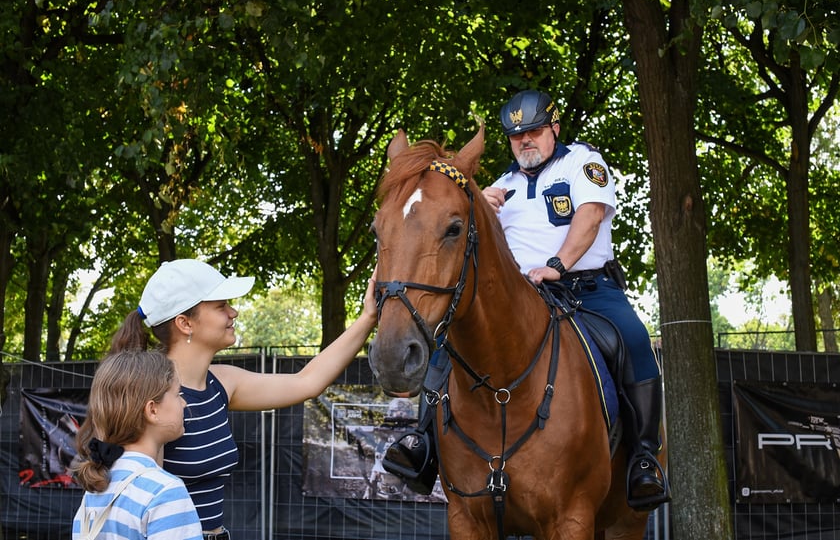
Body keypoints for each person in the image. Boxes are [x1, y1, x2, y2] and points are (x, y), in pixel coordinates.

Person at [384, 90, 669, 511]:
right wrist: (481, 202)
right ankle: (422, 439)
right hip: (522, 299)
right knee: (450, 345)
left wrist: (558, 263)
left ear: (554, 127)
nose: (525, 141)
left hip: (587, 289)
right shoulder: (502, 185)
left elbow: (589, 217)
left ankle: (644, 458)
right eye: (516, 135)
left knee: (634, 339)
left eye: (534, 130)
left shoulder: (583, 163)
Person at [109, 258, 378, 539]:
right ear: (185, 323)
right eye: (221, 306)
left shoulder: (222, 383)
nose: (233, 312)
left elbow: (307, 382)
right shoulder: (157, 401)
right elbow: (143, 501)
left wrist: (368, 318)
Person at [71, 348, 202, 540]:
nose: (184, 403)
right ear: (152, 410)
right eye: (177, 394)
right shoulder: (165, 492)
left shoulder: (95, 490)